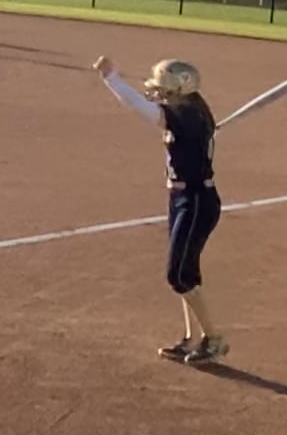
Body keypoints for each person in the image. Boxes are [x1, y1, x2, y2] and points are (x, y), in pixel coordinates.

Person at [91, 56, 227, 365]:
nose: (158, 93)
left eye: (164, 89)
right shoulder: (191, 112)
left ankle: (214, 339)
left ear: (179, 89)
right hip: (181, 198)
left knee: (178, 274)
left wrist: (112, 78)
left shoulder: (187, 114)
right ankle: (192, 339)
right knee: (185, 271)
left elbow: (142, 109)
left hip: (196, 200)